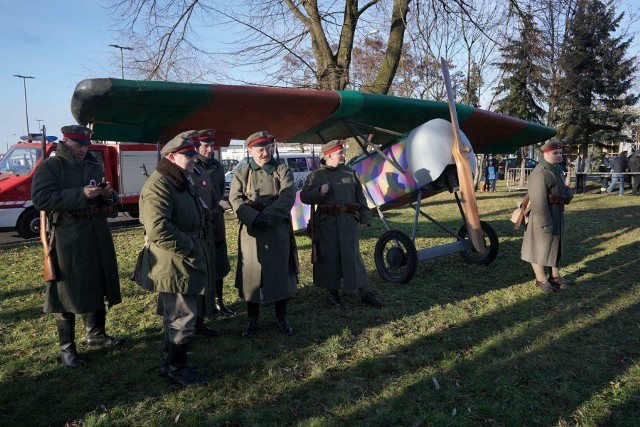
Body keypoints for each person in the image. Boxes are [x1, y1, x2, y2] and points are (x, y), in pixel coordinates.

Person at [31, 125, 124, 369]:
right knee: (67, 290)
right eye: (78, 145)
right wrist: (80, 193)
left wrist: (108, 195)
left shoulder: (93, 164)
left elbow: (110, 197)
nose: (83, 150)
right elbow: (40, 198)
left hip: (96, 231)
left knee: (96, 281)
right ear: (66, 141)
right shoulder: (52, 166)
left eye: (86, 145)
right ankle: (67, 349)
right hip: (67, 235)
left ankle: (96, 334)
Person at [138, 133, 211, 387]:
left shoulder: (179, 180)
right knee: (182, 317)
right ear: (171, 157)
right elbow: (158, 229)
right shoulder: (160, 184)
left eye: (193, 155)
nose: (194, 159)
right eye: (188, 156)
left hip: (180, 257)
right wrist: (191, 248)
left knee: (175, 316)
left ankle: (170, 363)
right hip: (174, 260)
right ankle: (177, 369)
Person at [229, 131, 298, 337]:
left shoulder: (282, 170)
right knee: (252, 275)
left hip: (276, 229)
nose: (265, 153)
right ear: (249, 151)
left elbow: (287, 196)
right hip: (252, 232)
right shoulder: (242, 173)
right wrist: (251, 217)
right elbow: (235, 199)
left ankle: (282, 317)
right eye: (260, 150)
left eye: (268, 149)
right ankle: (252, 319)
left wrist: (267, 216)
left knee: (279, 274)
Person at [300, 140, 383, 308]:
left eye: (343, 152)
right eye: (340, 153)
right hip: (326, 224)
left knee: (353, 257)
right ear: (328, 155)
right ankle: (333, 292)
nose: (343, 155)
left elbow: (360, 198)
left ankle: (365, 292)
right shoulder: (316, 175)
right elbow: (304, 197)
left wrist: (365, 217)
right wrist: (318, 192)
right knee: (330, 258)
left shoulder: (350, 173)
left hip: (348, 223)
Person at [521, 140, 574, 293]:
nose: (559, 155)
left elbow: (562, 187)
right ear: (545, 154)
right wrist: (546, 223)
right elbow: (538, 202)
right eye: (555, 153)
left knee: (556, 246)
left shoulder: (556, 170)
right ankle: (541, 280)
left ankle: (555, 277)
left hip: (556, 213)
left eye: (560, 153)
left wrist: (568, 192)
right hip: (542, 217)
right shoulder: (539, 173)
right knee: (539, 249)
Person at [191, 129, 233, 317]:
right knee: (200, 261)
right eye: (205, 146)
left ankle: (218, 301)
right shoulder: (192, 164)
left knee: (219, 260)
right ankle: (202, 305)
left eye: (211, 145)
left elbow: (219, 192)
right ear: (197, 147)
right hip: (199, 221)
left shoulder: (217, 166)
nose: (210, 149)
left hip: (216, 219)